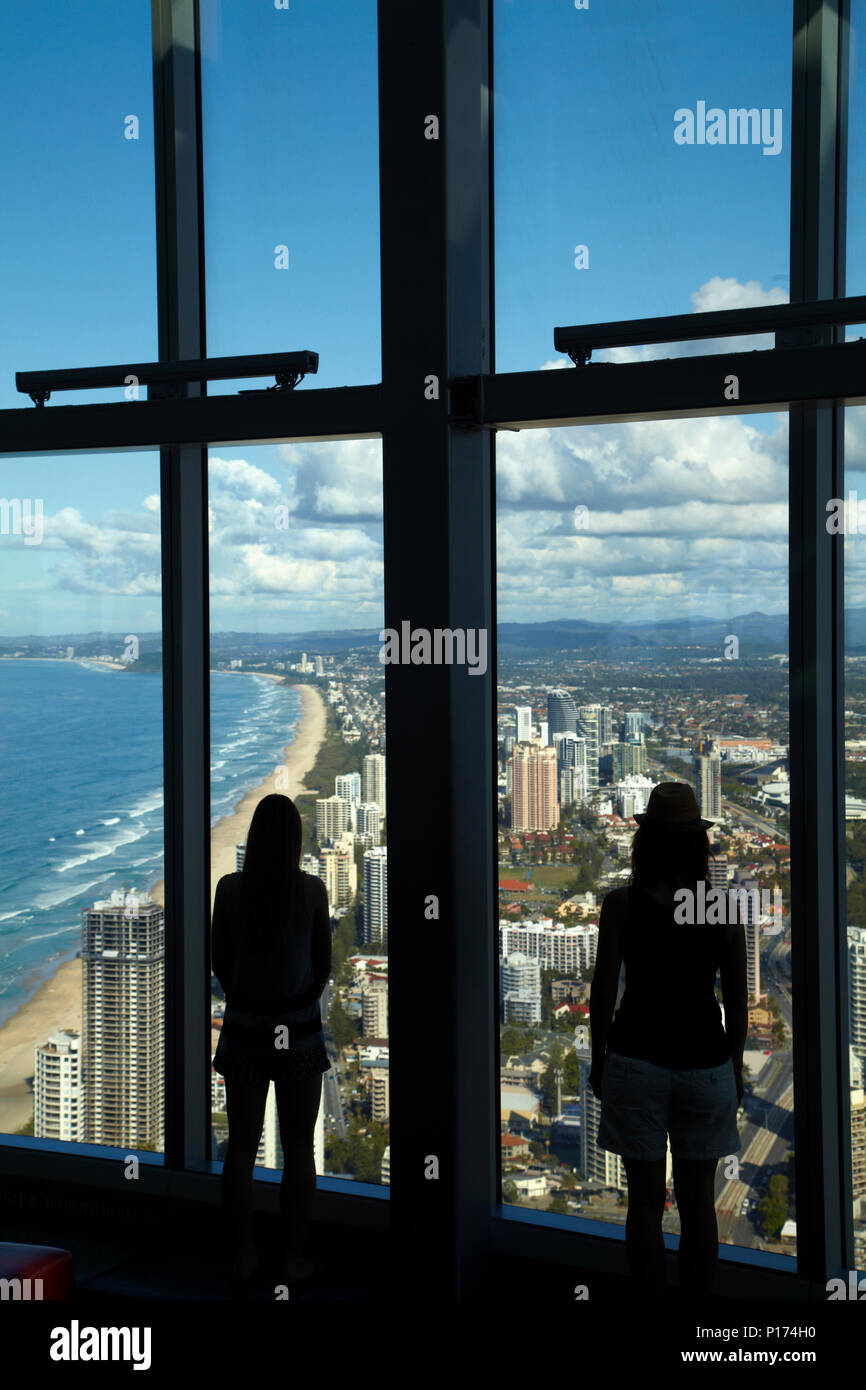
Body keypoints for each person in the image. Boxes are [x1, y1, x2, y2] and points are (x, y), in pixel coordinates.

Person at [589, 781, 748, 1302]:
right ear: (698, 846)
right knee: (700, 1204)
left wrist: (599, 1060)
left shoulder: (622, 905)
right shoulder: (722, 910)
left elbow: (604, 994)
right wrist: (736, 1069)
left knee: (644, 1205)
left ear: (644, 844)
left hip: (636, 1060)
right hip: (706, 1063)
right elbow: (739, 1007)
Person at [211, 793, 332, 1298]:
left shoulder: (230, 889)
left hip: (244, 1029)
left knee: (240, 1148)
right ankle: (294, 1256)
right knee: (299, 1148)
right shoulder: (311, 892)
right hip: (298, 1029)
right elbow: (323, 965)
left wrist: (245, 998)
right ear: (296, 840)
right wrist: (296, 1000)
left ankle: (243, 1254)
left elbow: (218, 960)